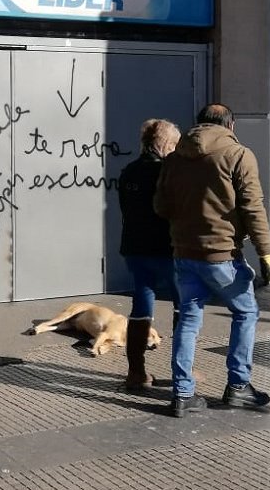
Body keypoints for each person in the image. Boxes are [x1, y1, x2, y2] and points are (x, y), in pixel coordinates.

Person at [154, 103, 270, 418]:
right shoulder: (239, 155)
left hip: (184, 253)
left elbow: (160, 207)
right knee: (246, 313)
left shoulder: (174, 159)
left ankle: (182, 394)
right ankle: (238, 387)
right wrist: (266, 252)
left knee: (189, 320)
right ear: (230, 126)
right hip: (222, 255)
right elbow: (253, 207)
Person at [118, 118, 181, 390]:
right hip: (168, 250)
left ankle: (136, 371)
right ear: (166, 144)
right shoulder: (169, 171)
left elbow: (125, 210)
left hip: (135, 249)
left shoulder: (129, 171)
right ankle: (182, 372)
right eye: (175, 144)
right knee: (184, 307)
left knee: (141, 306)